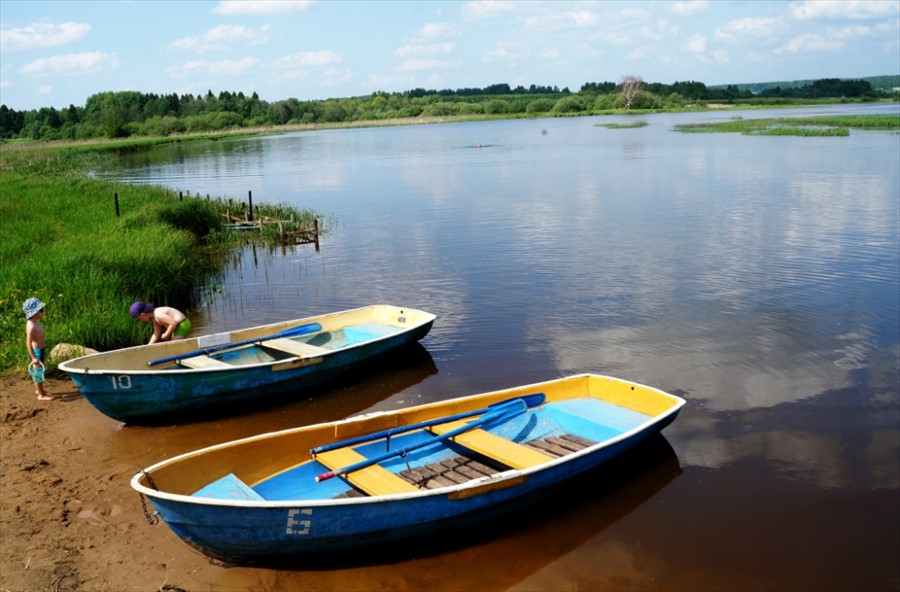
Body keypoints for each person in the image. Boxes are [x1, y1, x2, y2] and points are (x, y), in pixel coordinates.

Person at [23, 297, 53, 400]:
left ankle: (40, 389)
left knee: (40, 370)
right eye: (41, 310)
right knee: (38, 373)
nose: (43, 312)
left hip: (41, 349)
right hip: (36, 352)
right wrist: (33, 357)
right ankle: (41, 395)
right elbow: (28, 342)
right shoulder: (31, 325)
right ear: (34, 312)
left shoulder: (35, 322)